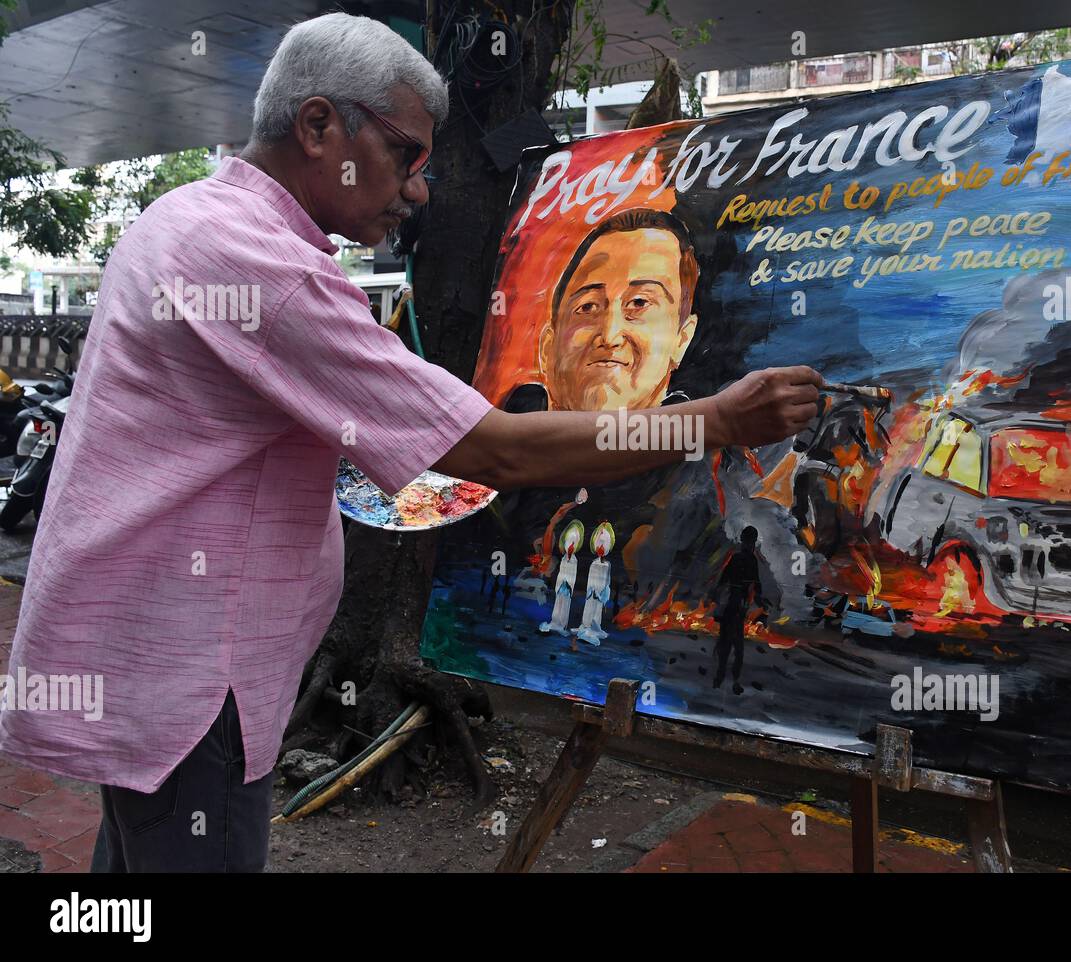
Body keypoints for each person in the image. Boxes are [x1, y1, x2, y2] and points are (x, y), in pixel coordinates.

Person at [0, 12, 822, 873]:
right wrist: (716, 421)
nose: (418, 190)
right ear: (320, 126)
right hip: (190, 680)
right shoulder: (257, 264)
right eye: (405, 154)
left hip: (154, 656)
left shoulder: (191, 218)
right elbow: (499, 450)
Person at [505, 207, 700, 415]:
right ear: (547, 348)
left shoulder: (702, 441)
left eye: (639, 303)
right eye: (588, 306)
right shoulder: (504, 443)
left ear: (682, 339)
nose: (609, 335)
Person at [711, 526, 764, 696]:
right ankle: (732, 679)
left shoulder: (737, 557)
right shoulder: (750, 560)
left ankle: (720, 678)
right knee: (736, 645)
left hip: (731, 604)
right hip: (738, 604)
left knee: (726, 641)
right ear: (752, 542)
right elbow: (756, 584)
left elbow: (722, 580)